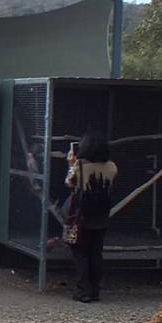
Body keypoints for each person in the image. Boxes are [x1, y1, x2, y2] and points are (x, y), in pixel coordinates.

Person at [64, 129, 116, 303]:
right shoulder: (111, 166)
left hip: (81, 215)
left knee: (79, 252)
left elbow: (69, 183)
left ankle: (83, 290)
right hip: (102, 214)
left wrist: (71, 163)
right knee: (96, 253)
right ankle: (95, 290)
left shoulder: (80, 166)